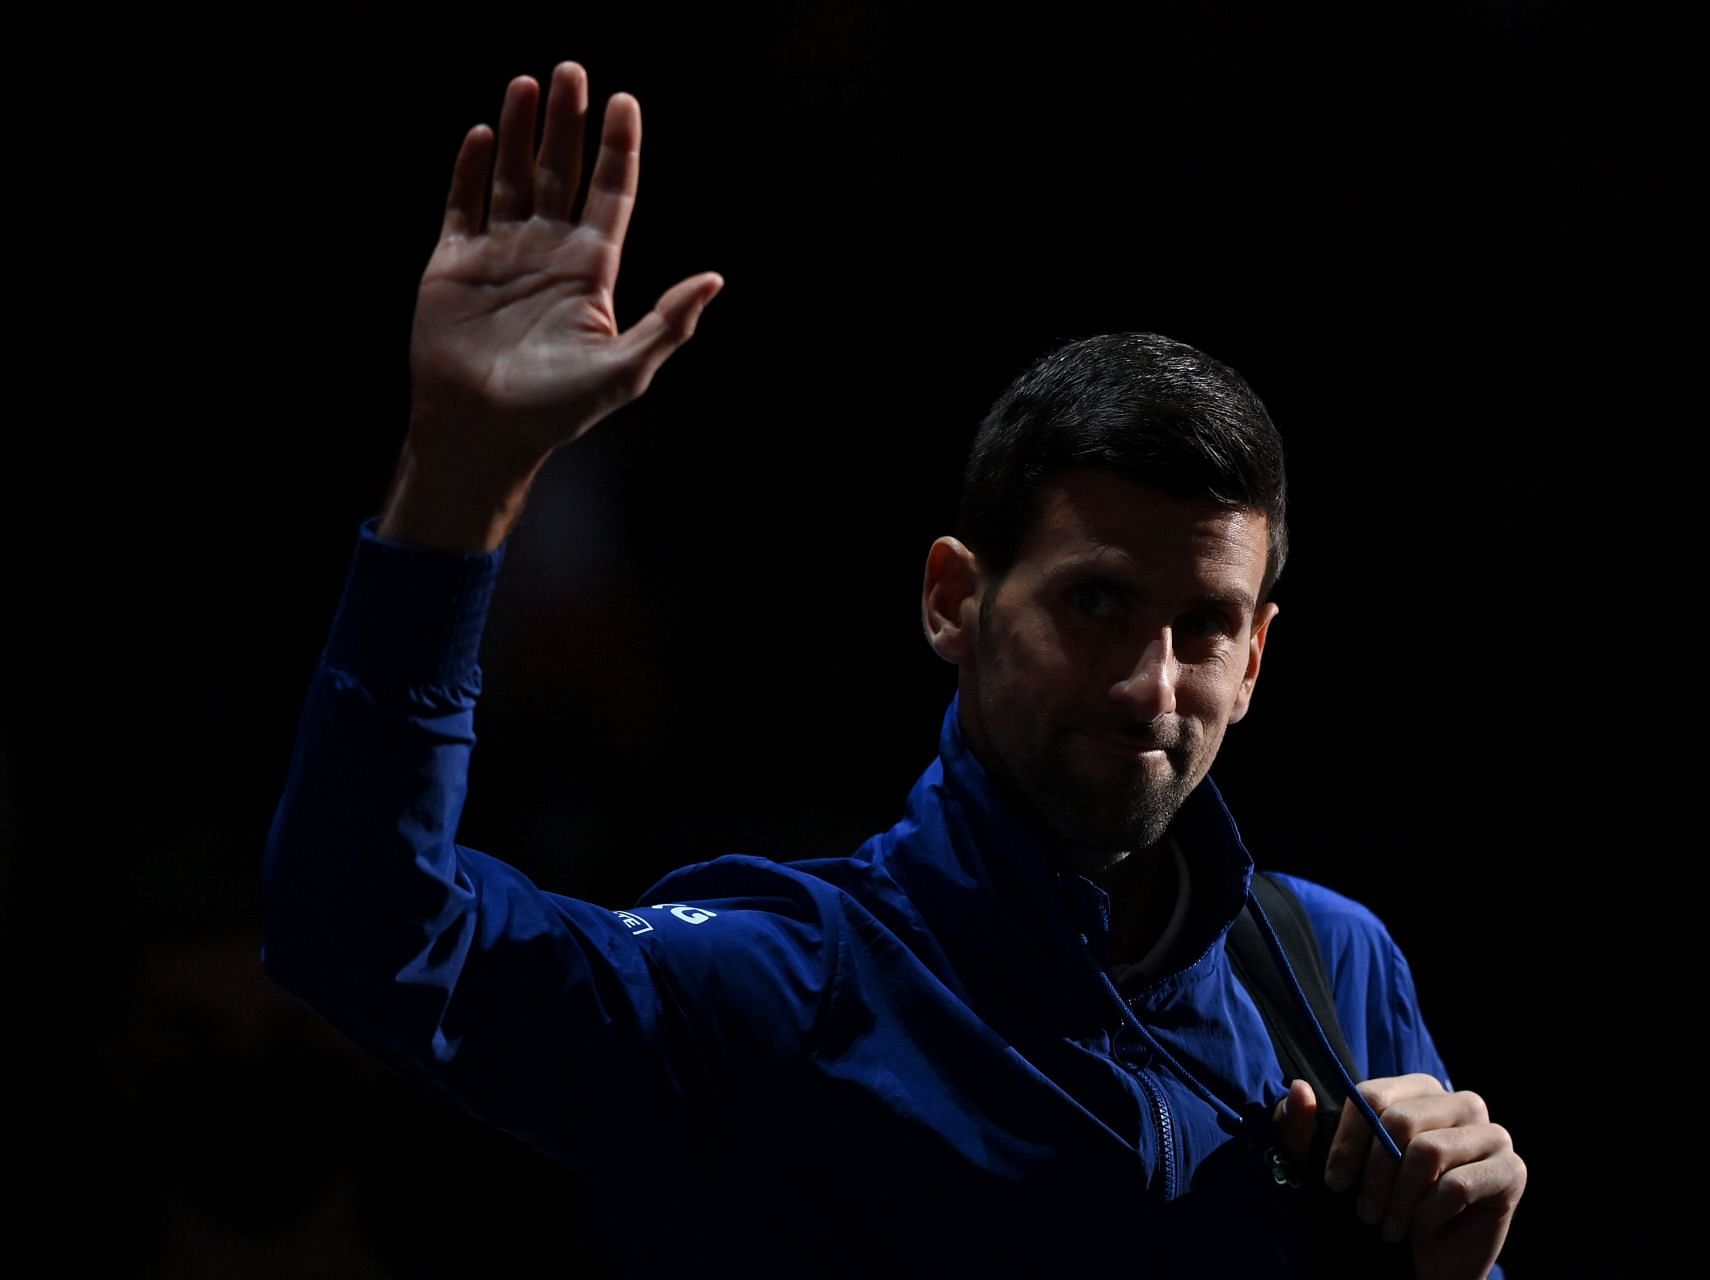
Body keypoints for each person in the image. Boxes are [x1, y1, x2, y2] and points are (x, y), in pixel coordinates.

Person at [262, 62, 1525, 1276]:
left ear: (1255, 659)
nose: (1153, 685)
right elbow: (366, 926)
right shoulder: (788, 985)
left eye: (1204, 628)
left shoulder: (1333, 967)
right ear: (953, 600)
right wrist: (463, 467)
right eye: (1095, 602)